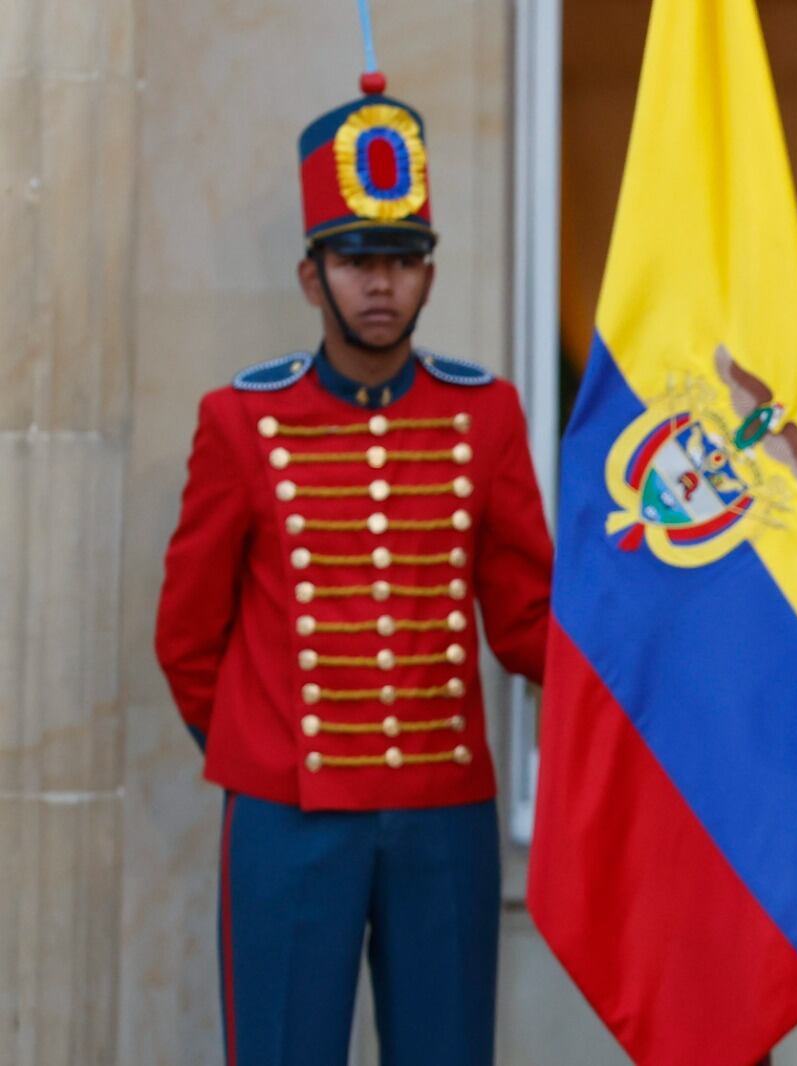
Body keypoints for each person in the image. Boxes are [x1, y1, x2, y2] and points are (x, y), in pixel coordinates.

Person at [154, 65, 553, 1066]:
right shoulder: (240, 420)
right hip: (289, 816)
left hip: (442, 812)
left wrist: (658, 620)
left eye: (403, 259)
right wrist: (262, 745)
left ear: (431, 269)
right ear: (311, 274)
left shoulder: (485, 414)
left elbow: (526, 621)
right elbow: (187, 636)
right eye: (356, 259)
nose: (381, 284)